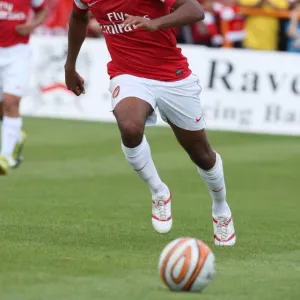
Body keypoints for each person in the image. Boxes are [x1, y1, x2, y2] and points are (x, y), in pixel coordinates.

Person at [65, 0, 236, 246]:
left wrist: (156, 23)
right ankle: (158, 191)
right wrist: (70, 66)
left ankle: (220, 209)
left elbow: (195, 10)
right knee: (130, 127)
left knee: (202, 155)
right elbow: (78, 17)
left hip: (172, 76)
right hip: (128, 74)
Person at [0, 0, 47, 174]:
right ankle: (16, 136)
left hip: (17, 53)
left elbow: (42, 11)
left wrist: (32, 25)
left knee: (11, 102)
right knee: (2, 107)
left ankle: (5, 157)